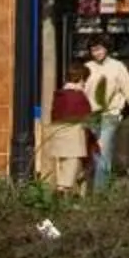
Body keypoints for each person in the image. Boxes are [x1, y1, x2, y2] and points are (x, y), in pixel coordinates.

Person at [83, 35, 129, 190]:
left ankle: (100, 193)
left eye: (99, 49)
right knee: (95, 154)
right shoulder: (87, 67)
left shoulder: (117, 67)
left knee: (104, 153)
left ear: (106, 48)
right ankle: (96, 188)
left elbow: (128, 89)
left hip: (111, 114)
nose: (97, 53)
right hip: (91, 116)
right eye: (93, 50)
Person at [43, 60, 93, 193]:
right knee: (72, 161)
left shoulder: (59, 94)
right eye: (85, 80)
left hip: (58, 131)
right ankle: (64, 189)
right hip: (73, 132)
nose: (85, 83)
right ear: (81, 79)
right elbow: (86, 115)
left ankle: (61, 186)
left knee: (62, 162)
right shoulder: (78, 96)